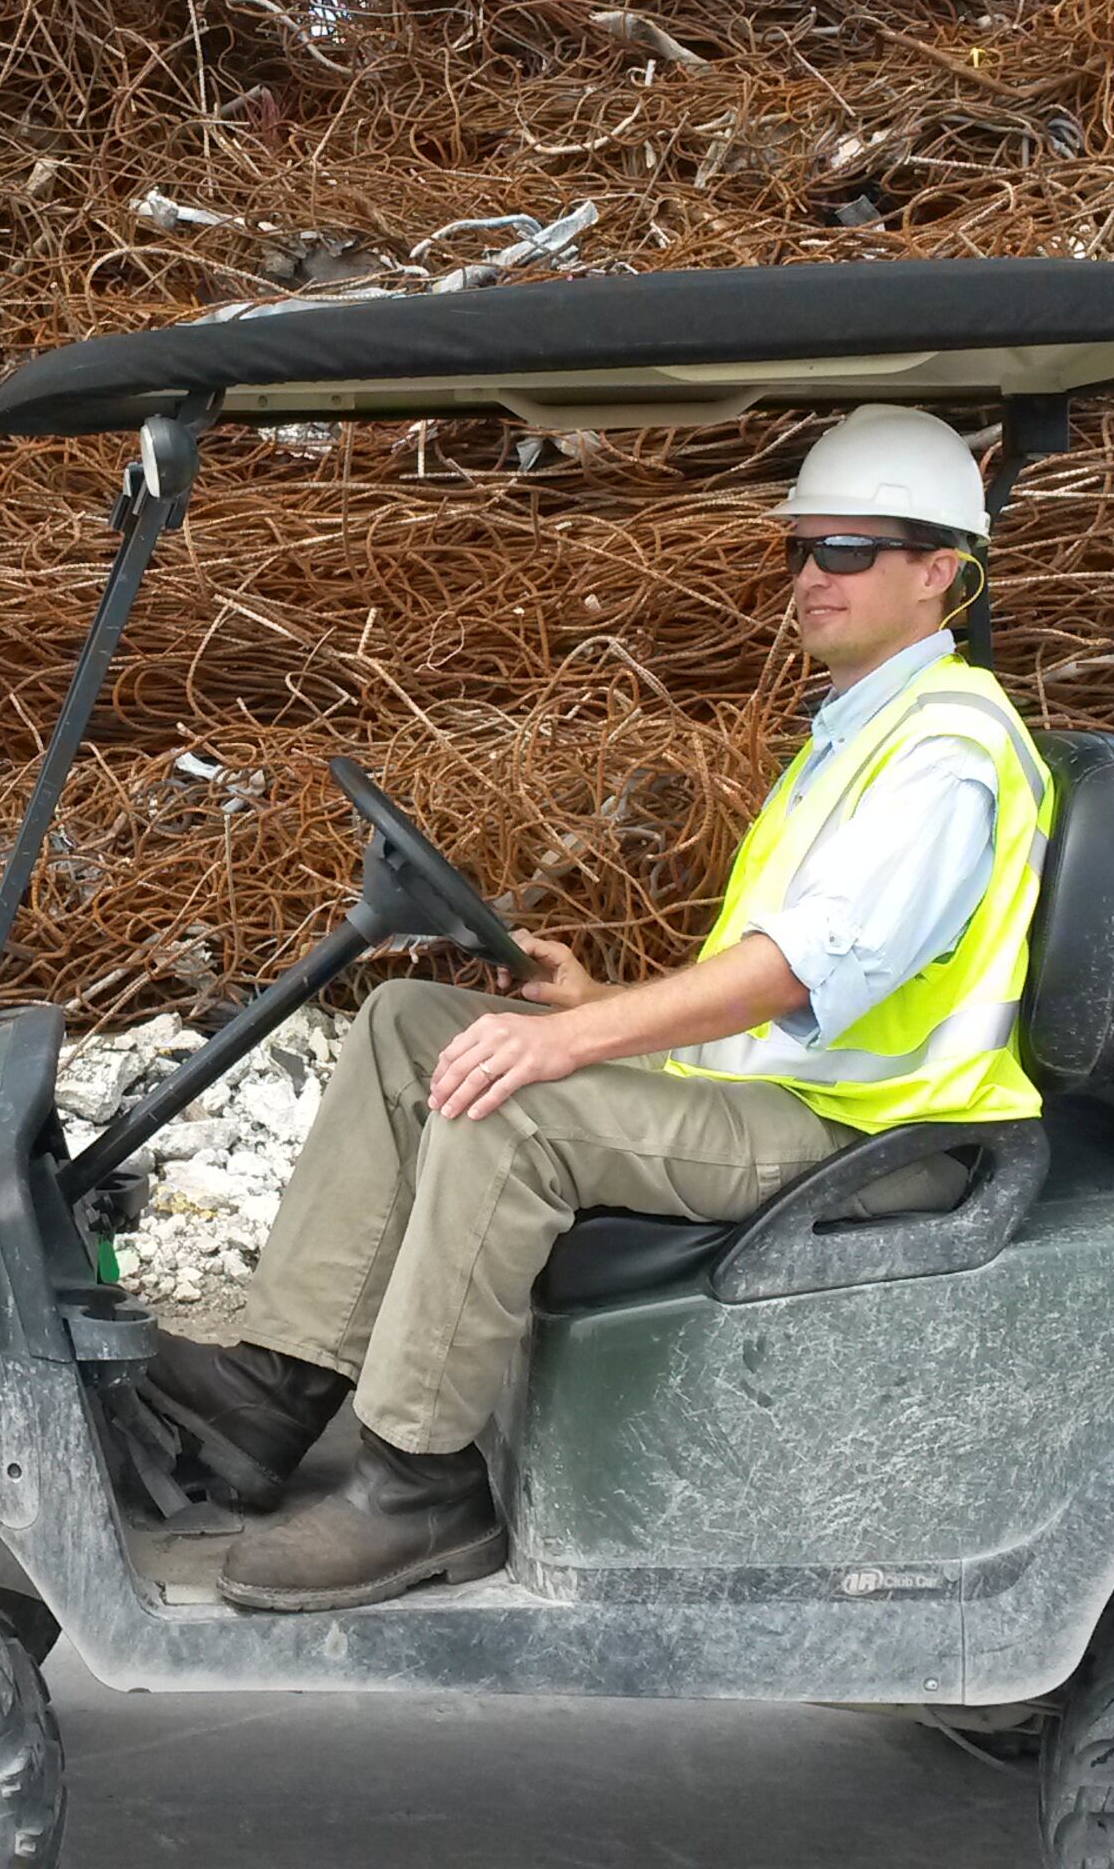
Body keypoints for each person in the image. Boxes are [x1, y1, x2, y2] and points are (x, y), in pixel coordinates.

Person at [137, 402, 1056, 1613]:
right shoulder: (861, 731)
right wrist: (600, 1000)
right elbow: (795, 987)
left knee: (514, 1106)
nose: (809, 576)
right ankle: (276, 1387)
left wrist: (573, 1037)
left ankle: (419, 1482)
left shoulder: (943, 751)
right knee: (418, 1022)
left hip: (872, 1133)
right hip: (792, 1089)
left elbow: (800, 970)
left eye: (846, 551)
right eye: (799, 547)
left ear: (938, 569)